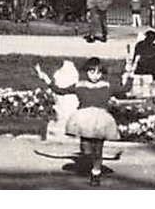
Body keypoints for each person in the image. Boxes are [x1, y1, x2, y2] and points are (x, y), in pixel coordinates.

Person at [35, 56, 128, 185]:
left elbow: (125, 89)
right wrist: (46, 79)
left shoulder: (107, 86)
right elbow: (60, 91)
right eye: (92, 72)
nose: (95, 76)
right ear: (86, 72)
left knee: (98, 148)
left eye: (98, 72)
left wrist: (131, 74)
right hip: (83, 119)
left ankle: (96, 174)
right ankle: (90, 165)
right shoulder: (80, 86)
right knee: (86, 149)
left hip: (101, 119)